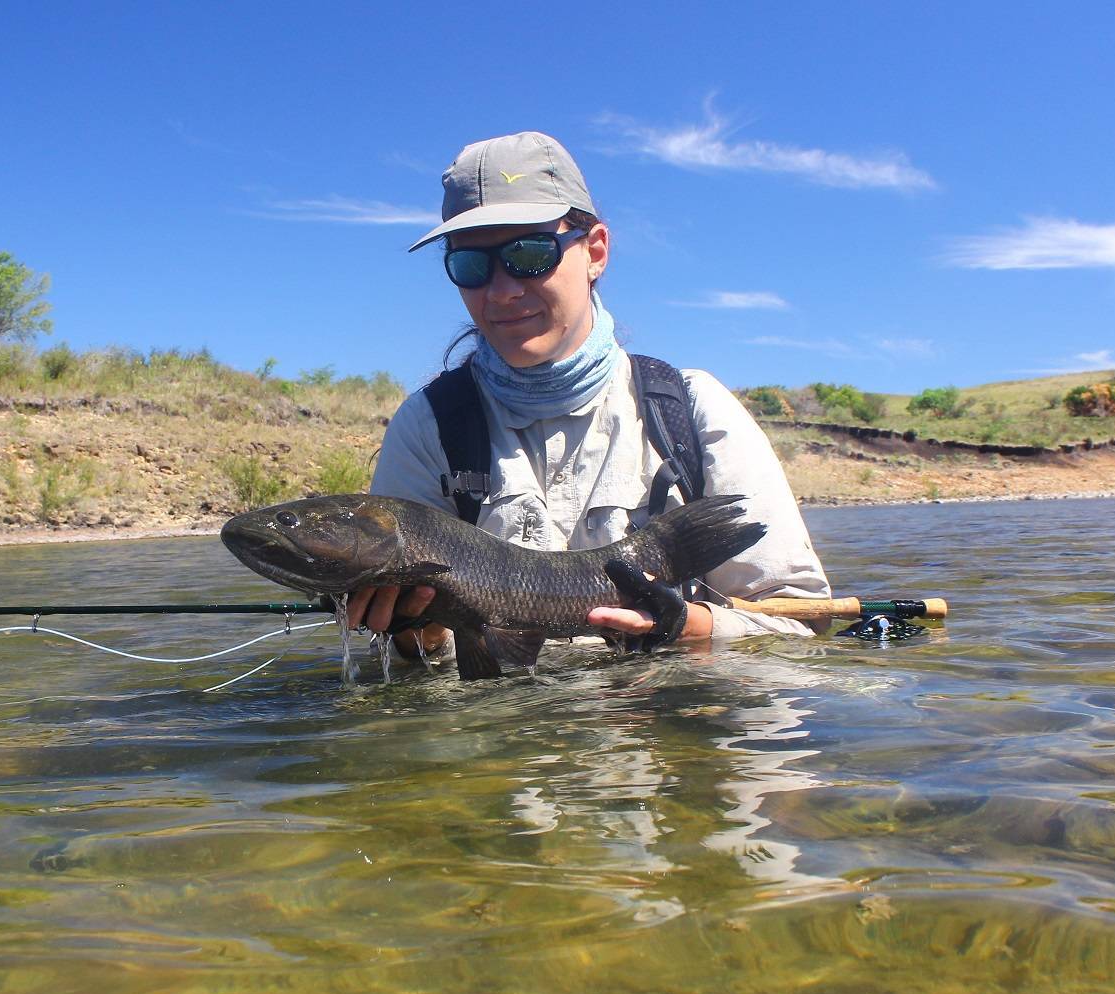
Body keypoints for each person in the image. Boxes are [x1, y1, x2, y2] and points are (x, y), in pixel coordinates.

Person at [346, 131, 830, 659]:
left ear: (595, 251)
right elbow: (406, 661)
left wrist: (691, 628)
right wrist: (423, 634)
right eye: (471, 265)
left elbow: (801, 627)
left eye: (529, 254)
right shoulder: (426, 427)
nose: (502, 289)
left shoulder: (693, 409)